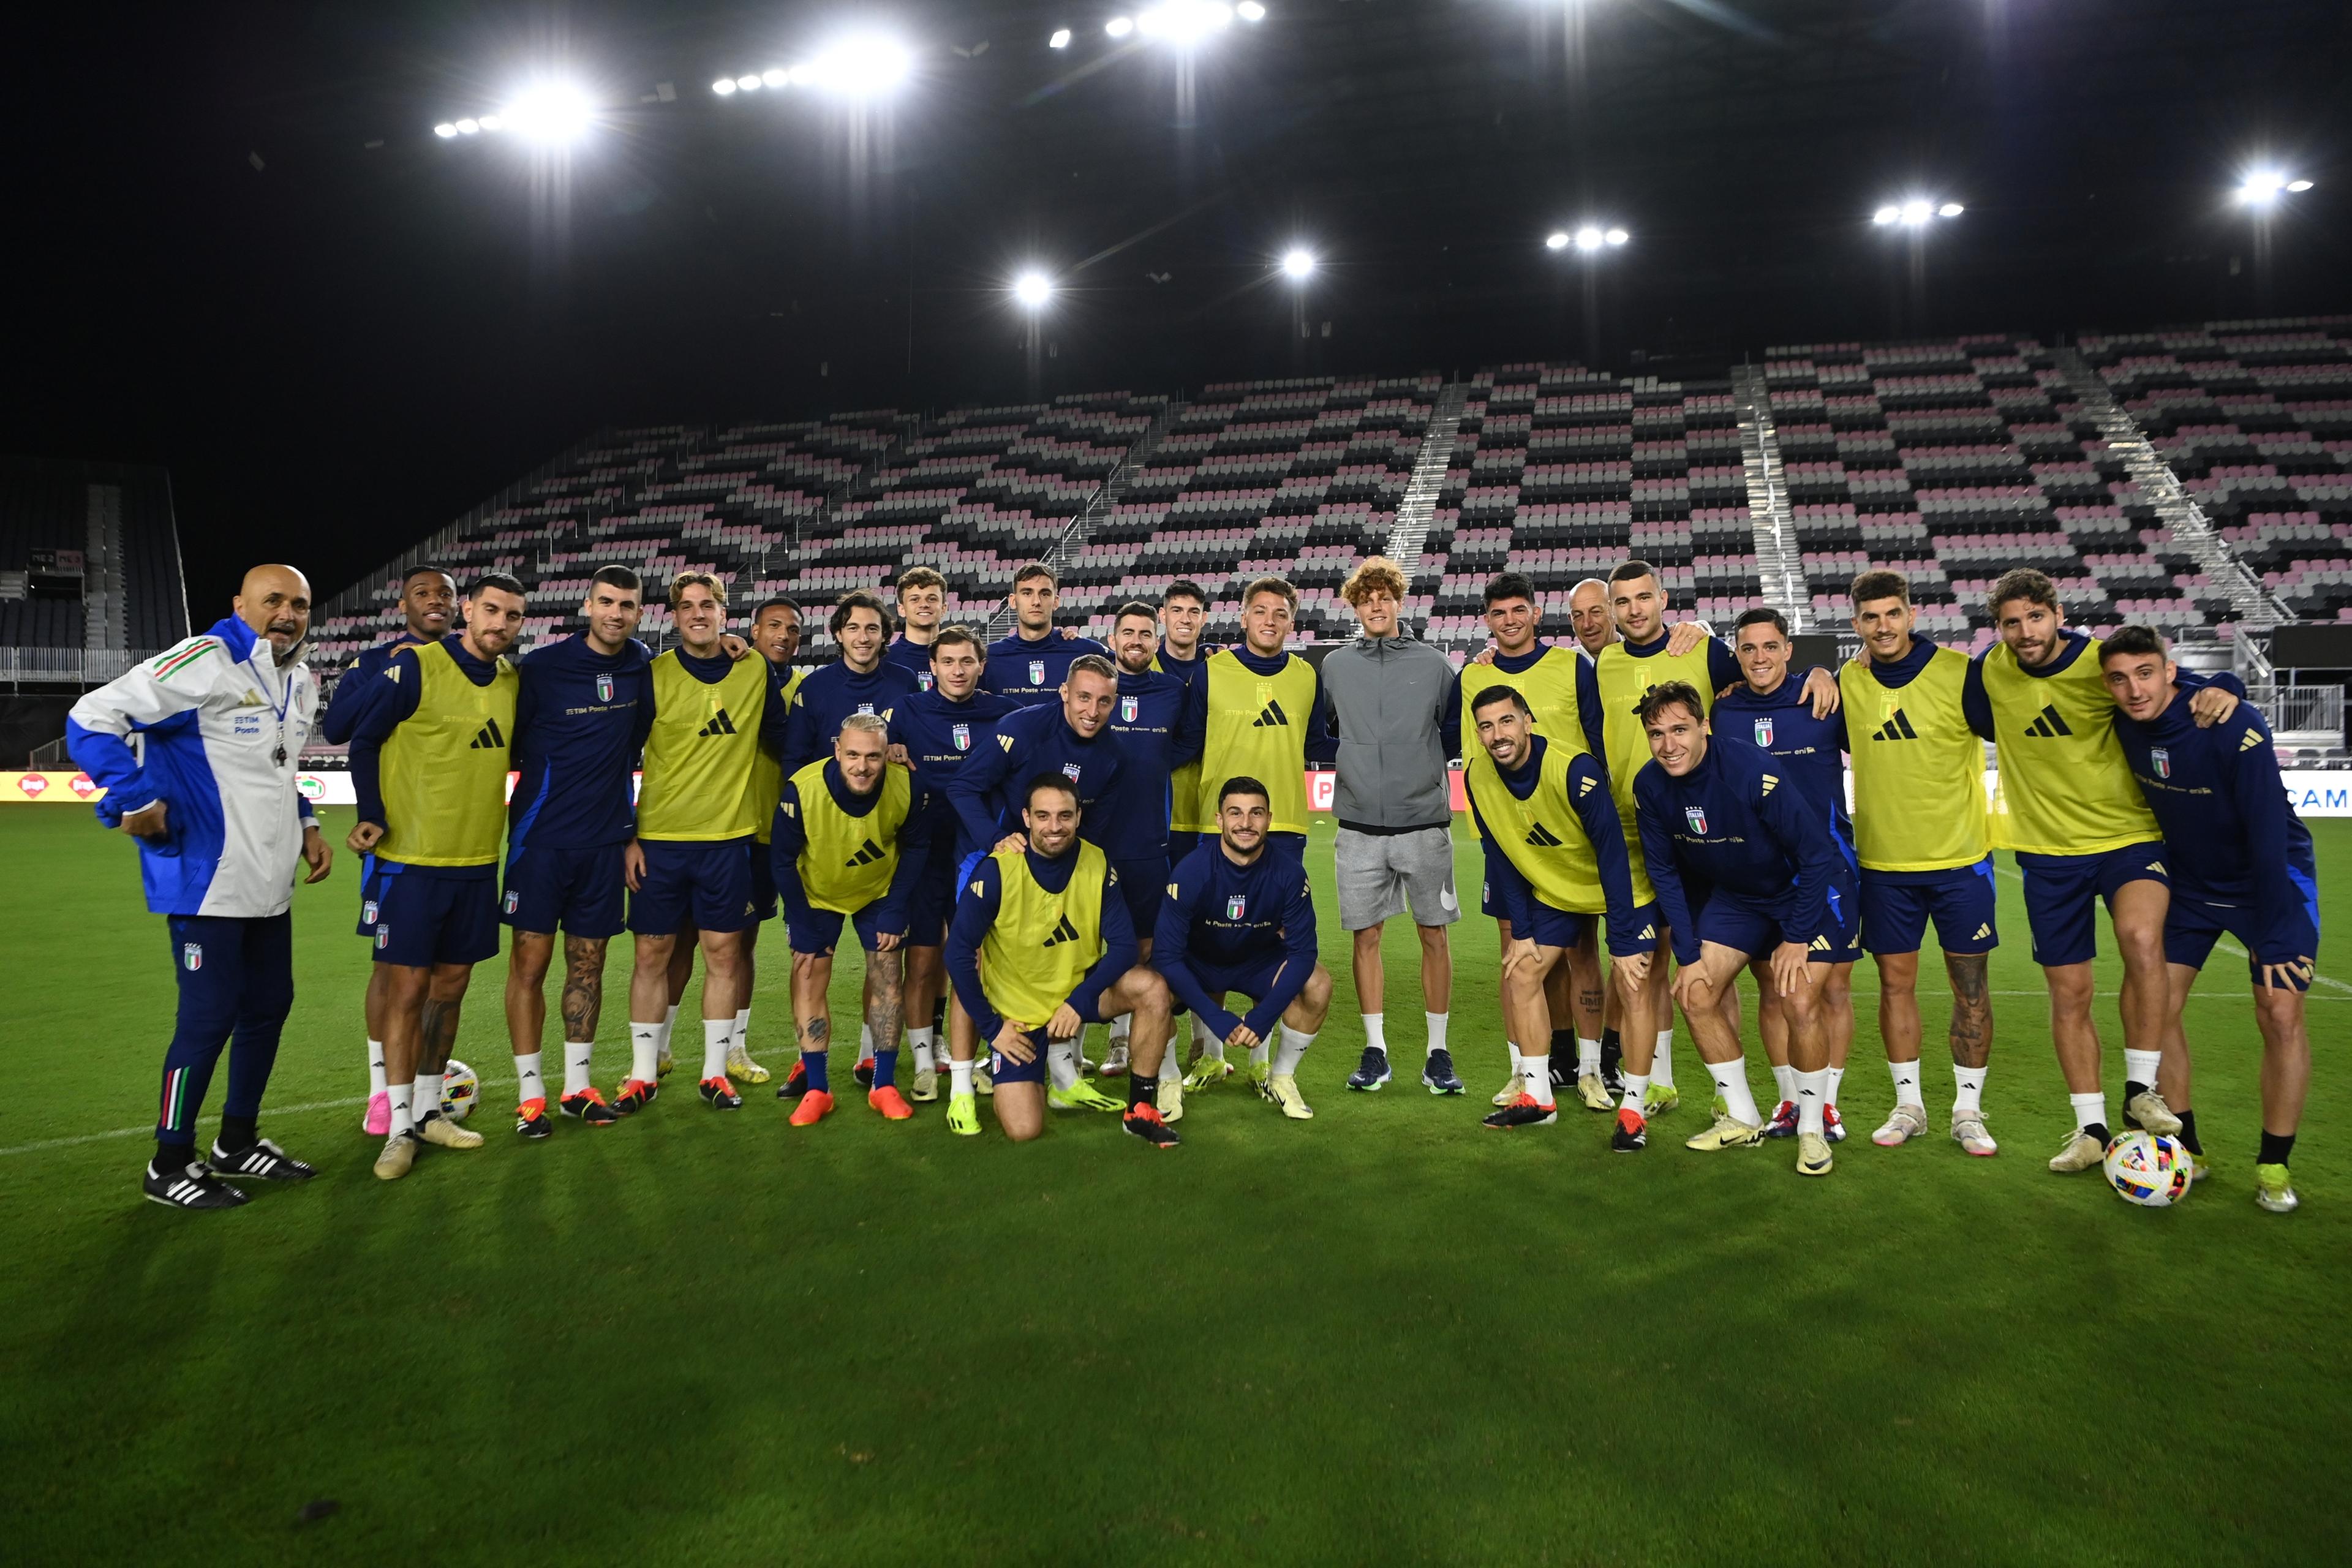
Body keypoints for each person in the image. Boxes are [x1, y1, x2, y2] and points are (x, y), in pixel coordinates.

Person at [66, 564, 332, 1208]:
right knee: (209, 1017)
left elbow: (277, 767)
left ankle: (236, 1142)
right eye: (274, 601)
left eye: (299, 604)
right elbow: (90, 715)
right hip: (204, 881)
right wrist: (133, 796)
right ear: (240, 603)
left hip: (269, 882)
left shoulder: (299, 680)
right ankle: (169, 1162)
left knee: (269, 1006)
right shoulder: (205, 660)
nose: (288, 614)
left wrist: (308, 822)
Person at [1966, 568, 2239, 1174]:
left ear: (2056, 612)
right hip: (2047, 854)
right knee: (2071, 992)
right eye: (2012, 622)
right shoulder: (1990, 670)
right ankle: (2090, 1129)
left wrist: (2225, 681)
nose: (2025, 631)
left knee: (2143, 940)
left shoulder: (2100, 662)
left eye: (2035, 617)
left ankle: (2140, 1090)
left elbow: (2177, 685)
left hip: (2127, 838)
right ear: (1999, 628)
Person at [1577, 560, 1842, 1125]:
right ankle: (1662, 1084)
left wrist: (1824, 674)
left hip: (1719, 838)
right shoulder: (1604, 662)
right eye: (1621, 602)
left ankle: (1784, 1102)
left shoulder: (1701, 648)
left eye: (1642, 598)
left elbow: (1765, 669)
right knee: (1654, 961)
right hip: (1642, 828)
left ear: (1662, 598)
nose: (1632, 611)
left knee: (1757, 975)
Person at [2103, 627, 2318, 1213]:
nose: (2133, 689)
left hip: (2269, 882)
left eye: (2146, 673)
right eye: (2119, 678)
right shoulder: (2123, 717)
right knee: (2153, 1007)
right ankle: (2187, 1148)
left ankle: (2274, 1163)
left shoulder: (2231, 725)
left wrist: (2276, 931)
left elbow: (2269, 834)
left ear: (2170, 671)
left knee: (2279, 1013)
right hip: (2192, 888)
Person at [1627, 682, 1859, 1175]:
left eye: (1680, 730)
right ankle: (1742, 1116)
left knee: (1798, 998)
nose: (1669, 745)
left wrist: (1796, 938)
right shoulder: (1649, 786)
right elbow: (1664, 874)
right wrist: (1688, 955)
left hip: (1805, 888)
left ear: (1704, 726)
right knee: (1693, 993)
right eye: (1656, 734)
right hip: (1740, 898)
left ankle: (1813, 1130)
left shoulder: (1750, 769)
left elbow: (1817, 854)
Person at [340, 573, 526, 1179]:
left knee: (450, 989)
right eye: (491, 610)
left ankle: (428, 1112)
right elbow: (361, 739)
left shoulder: (509, 682)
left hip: (476, 863)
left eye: (514, 615)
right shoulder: (416, 666)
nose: (500, 623)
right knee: (407, 989)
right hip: (411, 861)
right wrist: (371, 814)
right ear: (468, 610)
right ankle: (397, 1127)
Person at [1838, 570, 1998, 1156]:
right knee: (1895, 986)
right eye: (1870, 617)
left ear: (1911, 614)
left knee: (1971, 992)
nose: (1883, 626)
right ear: (1856, 625)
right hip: (1882, 867)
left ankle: (1968, 1110)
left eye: (1893, 614)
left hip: (1961, 866)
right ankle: (1909, 1105)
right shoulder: (1846, 683)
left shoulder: (1961, 674)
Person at [498, 565, 654, 1136]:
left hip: (604, 845)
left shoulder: (642, 666)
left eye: (628, 605)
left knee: (588, 966)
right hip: (539, 842)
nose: (616, 613)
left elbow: (637, 751)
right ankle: (530, 1094)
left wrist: (630, 832)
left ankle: (576, 1087)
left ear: (640, 612)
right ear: (587, 605)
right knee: (530, 965)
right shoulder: (540, 668)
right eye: (607, 602)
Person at [944, 776, 1182, 1147]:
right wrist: (993, 1029)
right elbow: (957, 954)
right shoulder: (996, 869)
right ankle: (1008, 1075)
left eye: (1064, 816)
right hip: (1019, 1015)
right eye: (1043, 816)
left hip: (1074, 997)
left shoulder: (1098, 862)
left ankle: (1139, 1111)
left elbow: (1122, 948)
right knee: (1024, 1130)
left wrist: (1078, 1002)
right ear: (1026, 818)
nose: (1054, 827)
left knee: (1151, 987)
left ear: (1078, 816)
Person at [619, 572, 780, 1116]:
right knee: (651, 955)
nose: (697, 613)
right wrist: (629, 836)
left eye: (707, 604)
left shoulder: (753, 668)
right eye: (686, 606)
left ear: (724, 612)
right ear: (673, 615)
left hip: (728, 841)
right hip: (660, 841)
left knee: (724, 955)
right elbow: (620, 757)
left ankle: (714, 1073)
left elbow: (783, 737)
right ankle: (644, 1074)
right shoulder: (652, 674)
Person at [1462, 685, 1651, 1136]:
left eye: (1506, 721)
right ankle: (1537, 1096)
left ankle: (1634, 1111)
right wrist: (1522, 930)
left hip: (1620, 887)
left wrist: (1622, 940)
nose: (1497, 734)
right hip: (1558, 891)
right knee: (1523, 972)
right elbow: (1501, 851)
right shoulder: (1477, 777)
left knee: (1633, 983)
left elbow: (1611, 854)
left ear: (1528, 721)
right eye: (1486, 726)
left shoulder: (1573, 768)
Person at [944, 654, 1130, 1111]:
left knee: (1070, 950)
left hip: (1057, 865)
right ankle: (963, 1088)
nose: (1092, 711)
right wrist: (996, 840)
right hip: (999, 860)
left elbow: (1093, 828)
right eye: (1084, 697)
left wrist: (1074, 875)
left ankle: (1064, 1074)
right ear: (1064, 693)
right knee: (976, 958)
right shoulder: (1022, 728)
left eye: (1105, 702)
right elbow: (962, 787)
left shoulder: (1113, 755)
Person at [1181, 575, 1336, 1086]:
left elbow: (1320, 744)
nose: (1270, 621)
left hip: (1286, 823)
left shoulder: (1307, 677)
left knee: (1275, 942)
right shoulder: (1211, 672)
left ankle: (1261, 1060)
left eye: (1281, 614)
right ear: (1242, 616)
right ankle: (1208, 1051)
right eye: (1261, 611)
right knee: (1209, 942)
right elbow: (1185, 743)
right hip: (1216, 822)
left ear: (1292, 622)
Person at [1317, 556, 1464, 1098]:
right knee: (1367, 937)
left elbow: (1451, 734)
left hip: (1423, 821)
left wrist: (1414, 769)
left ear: (1400, 601)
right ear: (1354, 606)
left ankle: (1438, 1053)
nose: (1376, 606)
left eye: (1385, 597)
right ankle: (1376, 1051)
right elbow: (1324, 732)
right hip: (1357, 823)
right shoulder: (1334, 666)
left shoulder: (1433, 664)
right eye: (1365, 598)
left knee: (1434, 935)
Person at [1710, 606, 1857, 1141]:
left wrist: (1827, 675)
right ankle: (1791, 1102)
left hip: (1827, 867)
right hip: (1761, 875)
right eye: (1748, 649)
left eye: (1770, 647)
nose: (1759, 658)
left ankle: (1829, 1104)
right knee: (1774, 990)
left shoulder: (1823, 698)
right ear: (1737, 655)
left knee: (1830, 990)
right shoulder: (1723, 711)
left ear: (1789, 649)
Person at [317, 562, 454, 1136]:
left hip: (459, 846)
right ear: (404, 605)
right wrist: (397, 669)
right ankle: (381, 1092)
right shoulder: (375, 662)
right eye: (422, 593)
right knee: (392, 969)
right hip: (397, 842)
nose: (435, 601)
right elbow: (338, 729)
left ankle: (425, 1094)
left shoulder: (477, 666)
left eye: (445, 594)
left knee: (448, 976)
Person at [881, 625, 1025, 1121]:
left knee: (983, 960)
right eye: (948, 662)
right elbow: (871, 756)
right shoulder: (907, 711)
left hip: (979, 852)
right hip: (923, 850)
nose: (958, 670)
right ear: (934, 667)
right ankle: (925, 1061)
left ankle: (985, 1058)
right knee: (923, 961)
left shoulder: (1004, 713)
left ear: (981, 666)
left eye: (967, 661)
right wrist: (892, 750)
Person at [780, 590, 922, 1083]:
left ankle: (869, 1055)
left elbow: (914, 751)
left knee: (883, 964)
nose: (863, 637)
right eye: (854, 628)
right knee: (808, 964)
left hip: (880, 843)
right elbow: (795, 760)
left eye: (873, 629)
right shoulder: (815, 687)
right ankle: (807, 1063)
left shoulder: (905, 681)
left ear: (886, 636)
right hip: (822, 844)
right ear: (838, 633)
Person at [771, 714, 933, 1126]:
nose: (863, 766)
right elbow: (782, 860)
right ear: (837, 750)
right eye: (854, 755)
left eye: (874, 757)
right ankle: (818, 1089)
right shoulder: (801, 790)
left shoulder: (908, 786)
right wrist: (801, 921)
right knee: (809, 975)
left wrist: (897, 906)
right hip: (817, 893)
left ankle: (883, 1084)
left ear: (888, 755)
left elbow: (916, 847)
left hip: (878, 892)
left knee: (887, 977)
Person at [1155, 777, 1334, 1120]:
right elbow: (1166, 955)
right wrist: (1216, 1017)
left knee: (1318, 984)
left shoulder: (1289, 873)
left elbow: (1303, 954)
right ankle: (1169, 1080)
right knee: (1151, 989)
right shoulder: (1191, 871)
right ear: (1219, 820)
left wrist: (1263, 1017)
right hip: (1202, 963)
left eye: (1256, 813)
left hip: (1259, 964)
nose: (1246, 823)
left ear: (1269, 818)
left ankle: (1281, 1077)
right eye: (1235, 813)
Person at [1098, 601, 1202, 1095]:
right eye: (1128, 633)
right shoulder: (1096, 687)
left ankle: (1137, 1045)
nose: (1136, 640)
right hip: (1089, 841)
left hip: (1145, 841)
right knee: (1077, 944)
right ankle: (1068, 1054)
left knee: (1143, 946)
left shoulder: (1169, 689)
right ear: (1113, 639)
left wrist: (1157, 758)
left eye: (1145, 633)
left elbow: (1189, 740)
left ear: (1156, 643)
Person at [728, 595, 807, 1085]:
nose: (783, 635)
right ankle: (659, 1047)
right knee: (677, 941)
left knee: (747, 938)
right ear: (753, 631)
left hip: (772, 832)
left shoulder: (804, 688)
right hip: (722, 826)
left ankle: (734, 1047)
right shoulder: (731, 669)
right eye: (774, 626)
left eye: (793, 629)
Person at [981, 562, 1108, 703]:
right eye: (1027, 593)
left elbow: (1131, 673)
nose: (1036, 601)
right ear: (1013, 601)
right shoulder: (989, 657)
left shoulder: (1084, 651)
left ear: (1056, 602)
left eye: (1045, 594)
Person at [1153, 580, 1213, 866]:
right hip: (1155, 809)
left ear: (1204, 618)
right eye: (1176, 610)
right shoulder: (1139, 670)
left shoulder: (1221, 670)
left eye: (1193, 611)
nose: (1185, 619)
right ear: (1162, 616)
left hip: (1211, 812)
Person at [886, 566, 947, 687]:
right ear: (902, 609)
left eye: (932, 599)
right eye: (915, 599)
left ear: (944, 608)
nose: (924, 604)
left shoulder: (959, 659)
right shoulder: (884, 660)